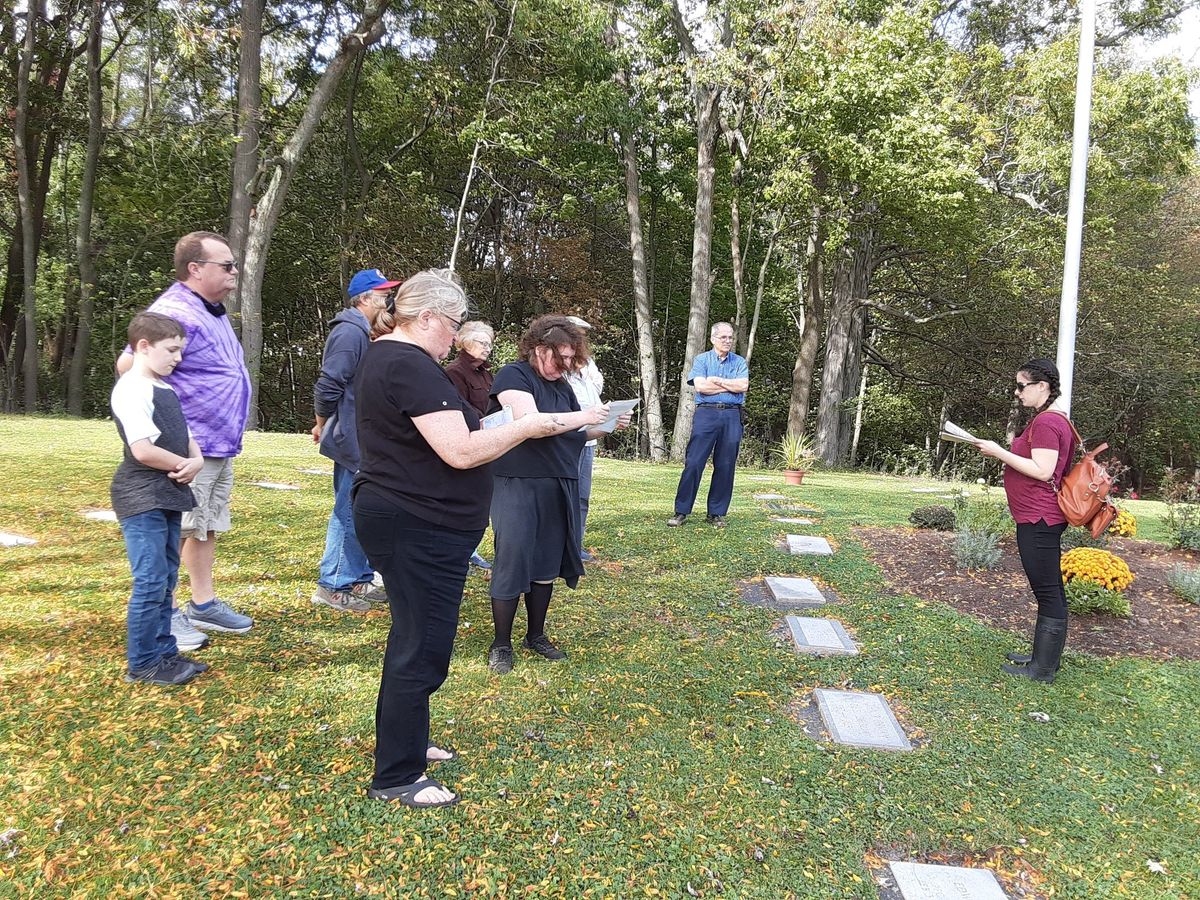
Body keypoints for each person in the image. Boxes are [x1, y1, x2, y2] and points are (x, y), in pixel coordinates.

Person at [353, 270, 582, 807]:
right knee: (423, 646)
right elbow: (459, 451)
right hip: (417, 524)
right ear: (427, 317)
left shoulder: (395, 359)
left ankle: (406, 740)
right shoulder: (406, 364)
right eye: (453, 323)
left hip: (414, 518)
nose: (455, 335)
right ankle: (397, 776)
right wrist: (525, 427)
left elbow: (450, 434)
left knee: (414, 637)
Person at [117, 231, 254, 645]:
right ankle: (168, 613)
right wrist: (175, 421)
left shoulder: (209, 310)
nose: (235, 272)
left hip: (217, 445)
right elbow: (130, 362)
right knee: (176, 530)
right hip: (189, 449)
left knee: (206, 525)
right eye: (226, 265)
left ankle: (203, 603)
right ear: (195, 269)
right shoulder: (175, 310)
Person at [485, 315, 626, 675]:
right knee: (513, 559)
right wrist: (586, 414)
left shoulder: (563, 387)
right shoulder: (513, 375)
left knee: (547, 561)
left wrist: (605, 426)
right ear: (537, 349)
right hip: (517, 480)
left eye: (569, 360)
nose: (563, 366)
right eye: (558, 358)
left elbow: (573, 434)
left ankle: (536, 635)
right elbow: (535, 425)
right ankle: (501, 643)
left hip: (558, 480)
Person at [111, 312, 207, 685]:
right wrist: (185, 464)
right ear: (143, 347)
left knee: (166, 576)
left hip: (167, 491)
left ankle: (166, 651)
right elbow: (142, 450)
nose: (178, 359)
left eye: (180, 351)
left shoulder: (162, 387)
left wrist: (196, 459)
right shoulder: (131, 388)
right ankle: (144, 662)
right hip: (142, 495)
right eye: (171, 350)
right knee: (150, 579)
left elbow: (183, 434)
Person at [973, 358, 1078, 683]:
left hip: (1039, 518)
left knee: (1047, 591)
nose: (1017, 393)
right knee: (1050, 590)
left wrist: (998, 451)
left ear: (1042, 387)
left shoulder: (1047, 422)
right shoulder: (1052, 419)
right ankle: (1041, 659)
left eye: (1022, 386)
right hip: (1040, 516)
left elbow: (1044, 470)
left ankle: (1042, 669)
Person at [310, 268, 400, 613]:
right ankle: (333, 584)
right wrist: (323, 423)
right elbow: (329, 384)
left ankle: (360, 577)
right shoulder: (349, 332)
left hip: (358, 432)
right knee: (348, 509)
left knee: (359, 506)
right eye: (382, 295)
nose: (387, 301)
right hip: (350, 435)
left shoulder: (363, 330)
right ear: (365, 299)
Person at [667, 322, 749, 528]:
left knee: (726, 464)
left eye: (730, 337)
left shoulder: (739, 362)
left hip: (732, 415)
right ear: (713, 339)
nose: (728, 341)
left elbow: (743, 386)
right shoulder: (702, 359)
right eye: (723, 337)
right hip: (706, 414)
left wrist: (717, 381)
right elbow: (701, 387)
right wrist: (728, 385)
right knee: (694, 461)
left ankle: (716, 513)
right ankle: (681, 511)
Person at [444, 320, 497, 570]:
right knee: (463, 496)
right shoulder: (455, 372)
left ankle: (470, 550)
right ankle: (461, 549)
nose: (487, 348)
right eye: (482, 343)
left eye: (489, 343)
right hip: (467, 439)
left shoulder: (487, 373)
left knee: (480, 496)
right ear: (465, 343)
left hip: (489, 439)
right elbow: (458, 407)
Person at [563, 316, 604, 562]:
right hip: (566, 441)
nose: (581, 337)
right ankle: (558, 547)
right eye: (577, 332)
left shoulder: (587, 367)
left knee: (581, 497)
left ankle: (575, 547)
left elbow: (596, 390)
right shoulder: (559, 370)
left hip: (587, 440)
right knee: (563, 496)